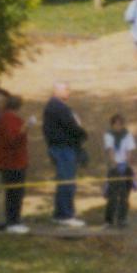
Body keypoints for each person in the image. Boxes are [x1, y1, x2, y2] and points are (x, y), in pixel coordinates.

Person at [42, 83, 89, 230]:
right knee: (67, 182)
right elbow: (71, 126)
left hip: (62, 147)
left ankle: (60, 214)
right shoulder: (58, 107)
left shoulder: (54, 106)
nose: (69, 91)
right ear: (58, 91)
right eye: (67, 89)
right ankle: (65, 215)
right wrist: (83, 134)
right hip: (63, 148)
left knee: (65, 181)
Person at [0, 92, 32, 232]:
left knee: (16, 193)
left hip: (15, 161)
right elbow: (12, 139)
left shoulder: (8, 118)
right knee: (14, 193)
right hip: (12, 162)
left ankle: (15, 220)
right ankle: (13, 222)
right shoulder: (9, 119)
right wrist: (25, 128)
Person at [101, 116, 137, 229]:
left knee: (124, 194)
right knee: (113, 195)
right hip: (114, 166)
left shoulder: (127, 135)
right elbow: (110, 149)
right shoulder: (108, 135)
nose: (118, 127)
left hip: (125, 166)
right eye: (115, 124)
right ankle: (109, 220)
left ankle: (122, 219)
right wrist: (114, 164)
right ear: (112, 125)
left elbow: (129, 150)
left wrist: (127, 164)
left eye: (120, 124)